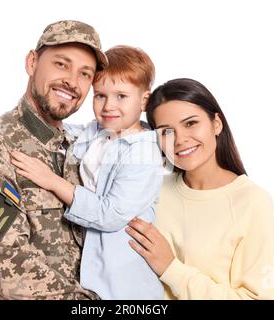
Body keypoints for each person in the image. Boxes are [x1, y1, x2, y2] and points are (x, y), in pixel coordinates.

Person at [0, 20, 108, 300]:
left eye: (85, 74)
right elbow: (12, 272)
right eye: (61, 64)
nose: (72, 82)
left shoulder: (86, 151)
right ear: (32, 62)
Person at [11, 45, 164, 299]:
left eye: (121, 96)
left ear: (144, 101)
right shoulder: (99, 132)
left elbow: (111, 214)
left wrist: (53, 182)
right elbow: (67, 134)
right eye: (100, 95)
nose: (108, 106)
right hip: (91, 274)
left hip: (125, 281)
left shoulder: (144, 153)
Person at [126, 78, 274, 299]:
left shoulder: (252, 202)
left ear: (216, 123)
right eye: (166, 132)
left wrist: (171, 269)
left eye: (190, 123)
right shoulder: (152, 190)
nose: (179, 139)